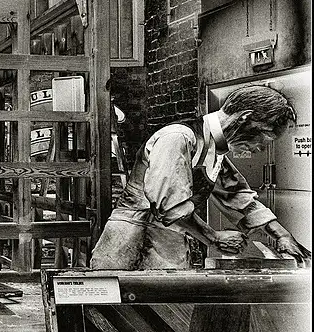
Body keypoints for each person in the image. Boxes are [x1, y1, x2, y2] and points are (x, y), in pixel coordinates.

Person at [90, 84, 311, 270]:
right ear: (245, 118)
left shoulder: (215, 149)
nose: (260, 148)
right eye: (265, 137)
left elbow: (237, 195)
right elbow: (171, 206)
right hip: (130, 242)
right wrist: (213, 237)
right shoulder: (178, 137)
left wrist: (282, 235)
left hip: (167, 241)